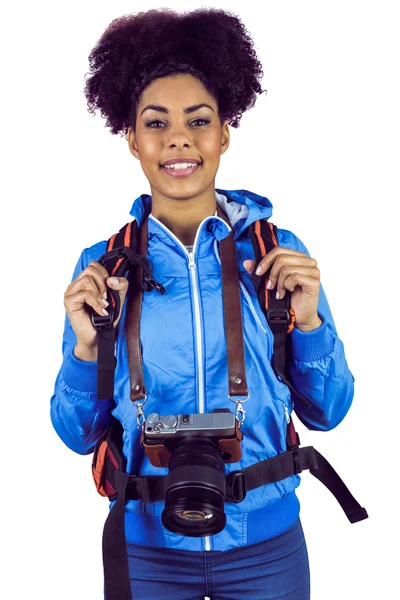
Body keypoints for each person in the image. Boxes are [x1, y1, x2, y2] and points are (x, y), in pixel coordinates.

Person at [50, 7, 355, 600]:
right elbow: (75, 434)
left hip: (267, 544)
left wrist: (312, 322)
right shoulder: (103, 267)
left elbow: (331, 411)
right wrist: (86, 350)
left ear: (224, 132)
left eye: (198, 119)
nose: (179, 139)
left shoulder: (276, 253)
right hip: (147, 547)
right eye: (156, 123)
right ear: (132, 138)